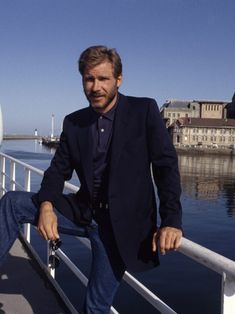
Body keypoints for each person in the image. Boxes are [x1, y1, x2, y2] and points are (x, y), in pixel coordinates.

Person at [0, 45, 182, 313]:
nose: (95, 87)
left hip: (119, 226)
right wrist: (47, 206)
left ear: (118, 80)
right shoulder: (74, 122)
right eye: (89, 79)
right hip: (83, 212)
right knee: (12, 203)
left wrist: (171, 222)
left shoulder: (143, 111)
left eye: (103, 79)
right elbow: (58, 170)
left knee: (94, 306)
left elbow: (166, 167)